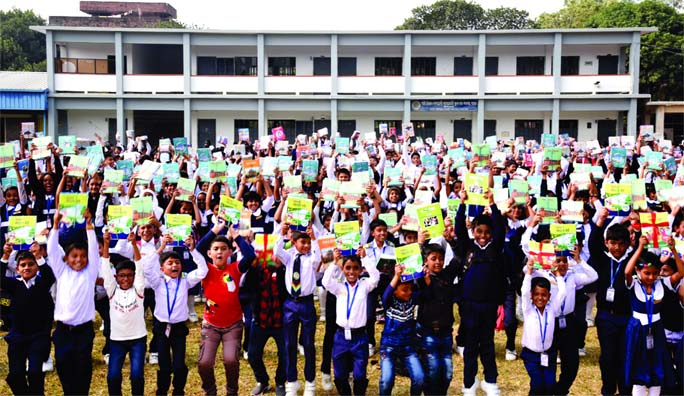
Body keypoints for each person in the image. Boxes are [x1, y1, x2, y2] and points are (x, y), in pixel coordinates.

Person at [454, 190, 507, 396]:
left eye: (486, 232)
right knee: (470, 346)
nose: (483, 236)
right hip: (469, 305)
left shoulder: (495, 248)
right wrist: (462, 203)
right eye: (479, 231)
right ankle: (469, 382)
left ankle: (490, 380)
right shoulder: (467, 247)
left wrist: (492, 205)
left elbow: (501, 230)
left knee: (487, 344)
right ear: (473, 231)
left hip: (489, 305)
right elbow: (459, 228)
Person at [142, 232, 208, 396]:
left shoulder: (185, 282)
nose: (174, 266)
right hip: (161, 327)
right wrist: (161, 248)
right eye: (170, 263)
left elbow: (203, 271)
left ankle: (179, 390)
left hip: (178, 328)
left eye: (177, 263)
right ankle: (161, 391)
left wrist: (193, 251)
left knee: (179, 365)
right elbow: (147, 268)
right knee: (164, 365)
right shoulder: (158, 282)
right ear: (162, 268)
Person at [196, 223, 256, 396]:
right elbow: (198, 249)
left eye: (224, 248)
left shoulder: (235, 268)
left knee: (231, 360)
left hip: (233, 325)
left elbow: (250, 255)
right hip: (211, 325)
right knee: (204, 363)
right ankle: (210, 391)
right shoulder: (205, 268)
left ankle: (232, 391)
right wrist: (215, 230)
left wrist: (236, 235)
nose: (220, 252)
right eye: (215, 249)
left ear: (230, 252)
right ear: (209, 253)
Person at [47, 210, 100, 396]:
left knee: (83, 368)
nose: (79, 259)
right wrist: (55, 226)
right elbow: (52, 251)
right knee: (63, 366)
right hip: (62, 330)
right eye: (74, 256)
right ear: (67, 259)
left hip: (83, 331)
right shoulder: (61, 272)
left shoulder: (90, 272)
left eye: (82, 256)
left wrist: (89, 226)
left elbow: (94, 251)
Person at [623, 235, 684, 396]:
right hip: (637, 328)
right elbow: (627, 271)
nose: (651, 277)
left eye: (655, 273)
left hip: (656, 329)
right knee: (639, 367)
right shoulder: (634, 283)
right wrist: (640, 248)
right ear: (639, 270)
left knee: (657, 366)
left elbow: (681, 272)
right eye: (647, 273)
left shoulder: (662, 283)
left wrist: (673, 250)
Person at [588, 217, 636, 395]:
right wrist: (600, 221)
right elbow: (593, 243)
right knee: (608, 357)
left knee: (625, 356)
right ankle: (608, 389)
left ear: (627, 244)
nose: (616, 248)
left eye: (621, 244)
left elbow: (643, 253)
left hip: (627, 317)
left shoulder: (631, 260)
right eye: (613, 243)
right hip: (606, 316)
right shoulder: (602, 259)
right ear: (607, 243)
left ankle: (625, 390)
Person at [322, 251, 379, 396]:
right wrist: (335, 262)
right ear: (343, 269)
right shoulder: (339, 287)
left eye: (355, 268)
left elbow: (376, 277)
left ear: (360, 270)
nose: (351, 272)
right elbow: (325, 282)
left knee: (359, 374)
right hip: (341, 336)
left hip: (359, 337)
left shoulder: (364, 286)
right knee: (340, 374)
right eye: (348, 268)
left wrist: (365, 257)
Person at [274, 224, 321, 396]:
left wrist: (314, 238)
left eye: (308, 243)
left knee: (308, 344)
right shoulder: (289, 258)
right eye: (303, 242)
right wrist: (281, 233)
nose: (306, 246)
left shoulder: (311, 259)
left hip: (307, 304)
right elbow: (277, 250)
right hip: (290, 304)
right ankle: (292, 381)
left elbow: (318, 258)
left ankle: (310, 382)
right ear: (294, 243)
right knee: (289, 344)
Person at [1, 246, 55, 396]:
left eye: (30, 264)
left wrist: (38, 255)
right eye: (23, 265)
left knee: (35, 372)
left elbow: (50, 276)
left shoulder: (42, 284)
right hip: (17, 337)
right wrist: (6, 255)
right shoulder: (14, 285)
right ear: (17, 269)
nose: (27, 268)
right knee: (15, 375)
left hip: (38, 337)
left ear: (37, 267)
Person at [101, 231, 147, 396]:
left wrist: (134, 244)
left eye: (129, 275)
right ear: (116, 277)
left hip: (138, 340)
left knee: (136, 376)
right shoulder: (112, 290)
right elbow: (105, 268)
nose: (125, 279)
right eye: (121, 276)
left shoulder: (139, 290)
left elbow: (139, 266)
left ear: (134, 277)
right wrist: (106, 244)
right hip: (117, 341)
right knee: (113, 377)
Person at [416, 242, 458, 396]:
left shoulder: (447, 275)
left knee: (447, 373)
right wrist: (426, 283)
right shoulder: (420, 280)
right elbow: (422, 299)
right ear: (425, 261)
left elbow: (458, 258)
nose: (438, 262)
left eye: (440, 258)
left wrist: (450, 240)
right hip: (428, 333)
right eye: (433, 258)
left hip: (446, 333)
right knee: (433, 371)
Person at [520, 259, 567, 395]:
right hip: (531, 355)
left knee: (550, 384)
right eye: (536, 294)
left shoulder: (552, 309)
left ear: (549, 296)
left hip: (548, 353)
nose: (540, 298)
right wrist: (529, 273)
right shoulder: (528, 309)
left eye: (544, 295)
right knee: (537, 384)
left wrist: (557, 273)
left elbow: (563, 292)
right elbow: (524, 292)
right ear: (532, 295)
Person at [378, 263, 424, 396]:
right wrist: (397, 275)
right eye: (404, 290)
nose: (409, 292)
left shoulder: (412, 299)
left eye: (410, 289)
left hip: (408, 346)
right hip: (389, 346)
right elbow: (386, 294)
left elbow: (424, 291)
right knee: (387, 380)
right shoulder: (389, 302)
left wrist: (422, 273)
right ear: (395, 291)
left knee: (419, 378)